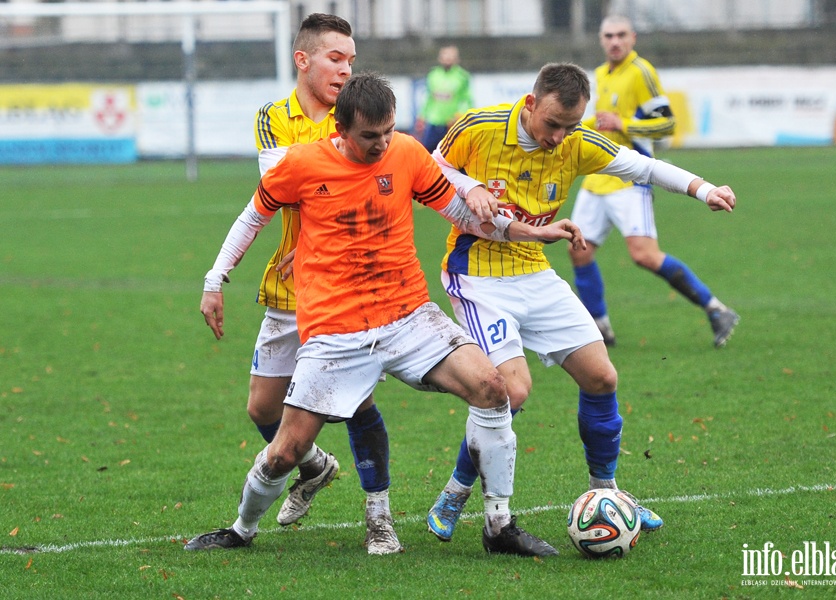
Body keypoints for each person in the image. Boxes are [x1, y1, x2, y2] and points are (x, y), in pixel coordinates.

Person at [186, 73, 586, 557]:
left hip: (408, 314)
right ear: (340, 127)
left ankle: (498, 524)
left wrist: (526, 231)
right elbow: (254, 216)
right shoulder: (302, 164)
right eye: (369, 136)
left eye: (388, 132)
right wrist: (215, 278)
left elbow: (461, 213)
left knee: (492, 387)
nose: (381, 144)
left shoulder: (408, 153)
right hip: (335, 330)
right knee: (287, 452)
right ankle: (241, 530)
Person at [424, 62, 737, 542]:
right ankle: (455, 492)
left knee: (602, 376)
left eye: (570, 126)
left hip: (535, 270)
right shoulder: (479, 127)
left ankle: (606, 494)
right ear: (530, 104)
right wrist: (472, 186)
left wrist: (705, 189)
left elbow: (644, 166)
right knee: (512, 391)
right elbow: (429, 169)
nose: (559, 138)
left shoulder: (577, 141)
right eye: (553, 124)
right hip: (478, 275)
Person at [199, 14, 400, 555]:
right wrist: (216, 278)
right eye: (336, 58)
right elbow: (281, 189)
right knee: (263, 409)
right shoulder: (273, 117)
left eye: (351, 60)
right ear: (303, 60)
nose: (346, 68)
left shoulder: (356, 115)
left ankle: (379, 516)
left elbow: (357, 178)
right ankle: (315, 468)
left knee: (357, 404)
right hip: (290, 287)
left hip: (348, 288)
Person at [568, 15, 739, 348]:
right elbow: (604, 122)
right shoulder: (601, 74)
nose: (614, 41)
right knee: (579, 251)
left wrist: (625, 123)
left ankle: (716, 310)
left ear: (632, 38)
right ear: (601, 40)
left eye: (620, 35)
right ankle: (600, 327)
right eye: (608, 36)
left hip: (631, 178)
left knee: (644, 255)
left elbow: (666, 125)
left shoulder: (641, 72)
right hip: (596, 178)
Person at [415, 45, 474, 153]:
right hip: (434, 121)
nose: (447, 58)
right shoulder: (433, 75)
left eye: (451, 56)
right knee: (427, 152)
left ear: (457, 59)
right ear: (440, 58)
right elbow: (429, 97)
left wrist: (459, 115)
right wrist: (422, 116)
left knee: (453, 154)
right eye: (445, 55)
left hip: (452, 123)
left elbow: (467, 100)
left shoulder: (462, 76)